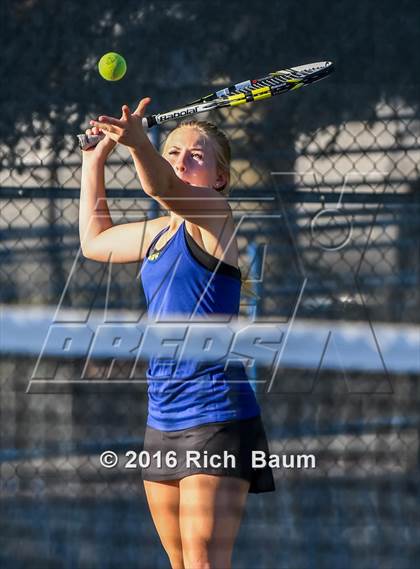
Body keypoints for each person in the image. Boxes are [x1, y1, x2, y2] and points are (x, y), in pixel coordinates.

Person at [79, 98, 275, 569]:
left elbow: (164, 188)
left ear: (220, 177)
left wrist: (139, 145)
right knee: (180, 563)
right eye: (172, 152)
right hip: (162, 416)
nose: (182, 161)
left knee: (204, 561)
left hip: (218, 416)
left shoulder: (215, 217)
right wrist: (93, 163)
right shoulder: (157, 234)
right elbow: (93, 242)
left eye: (196, 156)